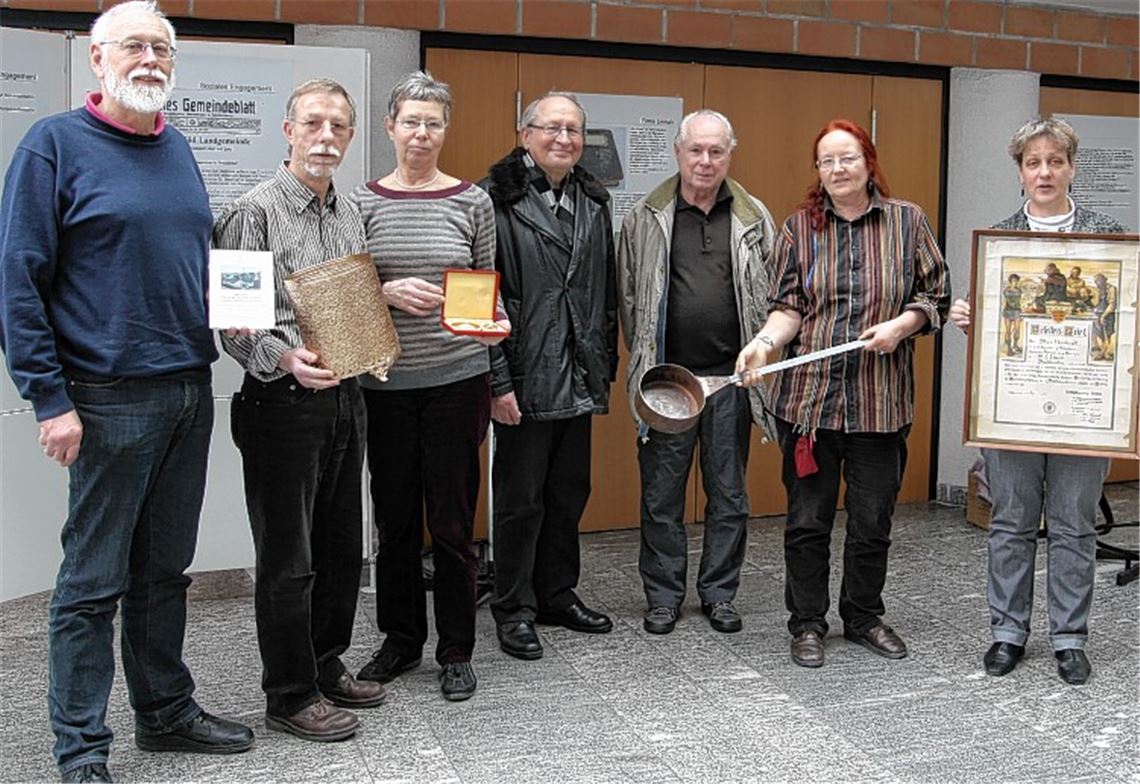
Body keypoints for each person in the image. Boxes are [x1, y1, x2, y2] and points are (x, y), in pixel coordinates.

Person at [0, 3, 254, 781]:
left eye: (161, 48)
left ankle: (165, 713)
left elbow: (197, 270)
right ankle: (81, 751)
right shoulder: (53, 146)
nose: (150, 59)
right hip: (106, 398)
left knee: (163, 573)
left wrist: (265, 331)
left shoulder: (175, 146)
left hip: (186, 387)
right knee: (91, 584)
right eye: (134, 46)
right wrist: (48, 398)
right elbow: (18, 281)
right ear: (98, 59)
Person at [736, 118, 949, 668]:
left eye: (847, 158)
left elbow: (937, 296)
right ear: (818, 171)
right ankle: (806, 622)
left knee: (872, 518)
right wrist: (762, 346)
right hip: (810, 404)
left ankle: (862, 616)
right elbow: (787, 308)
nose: (837, 169)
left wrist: (901, 327)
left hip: (881, 403)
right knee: (807, 522)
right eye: (827, 161)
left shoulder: (908, 222)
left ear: (868, 161)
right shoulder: (799, 229)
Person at [214, 79, 383, 742]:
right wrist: (284, 358)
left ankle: (324, 663)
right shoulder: (251, 211)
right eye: (313, 123)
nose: (326, 137)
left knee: (342, 549)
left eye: (339, 127)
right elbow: (232, 323)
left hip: (346, 396)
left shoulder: (349, 212)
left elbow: (353, 301)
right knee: (290, 557)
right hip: (282, 402)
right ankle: (288, 693)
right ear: (287, 130)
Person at [948, 117, 1128, 686]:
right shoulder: (998, 241)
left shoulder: (1111, 237)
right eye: (1033, 162)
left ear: (1072, 167)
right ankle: (1008, 632)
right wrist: (966, 318)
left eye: (1055, 160)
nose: (1044, 172)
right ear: (1020, 172)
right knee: (1012, 521)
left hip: (1083, 409)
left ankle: (1070, 638)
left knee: (1075, 526)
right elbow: (995, 329)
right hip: (1014, 406)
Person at [351, 71, 506, 701]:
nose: (421, 133)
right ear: (390, 127)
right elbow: (343, 297)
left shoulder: (472, 202)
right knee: (393, 522)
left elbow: (488, 285)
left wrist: (495, 328)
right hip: (384, 384)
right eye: (410, 121)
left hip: (457, 381)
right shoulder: (358, 204)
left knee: (451, 521)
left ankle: (457, 649)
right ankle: (400, 639)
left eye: (433, 123)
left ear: (446, 130)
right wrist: (381, 291)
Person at [618, 110, 777, 636]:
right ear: (678, 152)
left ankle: (719, 593)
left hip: (731, 381)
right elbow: (628, 296)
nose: (705, 161)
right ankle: (663, 597)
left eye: (716, 151)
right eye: (696, 150)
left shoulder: (755, 217)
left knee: (729, 494)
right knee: (661, 495)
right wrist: (644, 365)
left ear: (730, 154)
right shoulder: (647, 215)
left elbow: (773, 295)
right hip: (667, 381)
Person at [479, 93, 618, 660]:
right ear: (524, 132)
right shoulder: (492, 200)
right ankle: (513, 606)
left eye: (574, 129)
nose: (564, 138)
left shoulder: (593, 197)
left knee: (568, 492)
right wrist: (497, 382)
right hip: (525, 371)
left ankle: (557, 592)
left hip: (580, 371)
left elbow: (604, 291)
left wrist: (603, 364)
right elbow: (477, 298)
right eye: (551, 128)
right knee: (520, 499)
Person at [1092, 272, 1118, 360]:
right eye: (1095, 282)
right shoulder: (1098, 290)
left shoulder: (1111, 289)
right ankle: (1102, 351)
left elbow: (1112, 304)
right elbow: (1095, 303)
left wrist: (1104, 316)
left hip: (1108, 314)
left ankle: (1106, 352)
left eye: (1098, 281)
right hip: (1097, 315)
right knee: (1099, 334)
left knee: (1107, 333)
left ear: (1103, 280)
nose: (1097, 284)